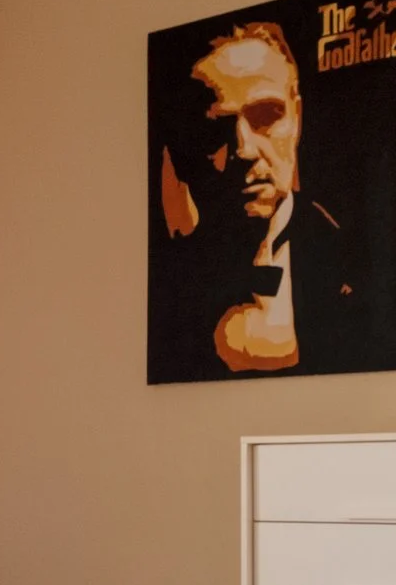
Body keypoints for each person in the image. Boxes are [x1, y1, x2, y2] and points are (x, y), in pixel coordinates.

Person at [153, 21, 369, 377]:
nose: (244, 148)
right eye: (216, 128)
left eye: (267, 115)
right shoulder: (170, 287)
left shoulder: (359, 261)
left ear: (297, 115)